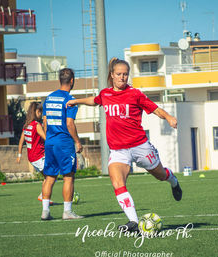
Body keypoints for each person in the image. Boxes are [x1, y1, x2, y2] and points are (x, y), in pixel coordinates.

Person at [67, 58, 182, 232]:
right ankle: (133, 222)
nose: (122, 77)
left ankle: (173, 180)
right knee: (117, 183)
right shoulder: (105, 94)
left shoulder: (135, 94)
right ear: (112, 75)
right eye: (119, 74)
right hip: (118, 150)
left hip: (140, 146)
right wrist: (76, 101)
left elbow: (155, 108)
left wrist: (169, 117)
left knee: (160, 175)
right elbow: (95, 100)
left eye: (125, 74)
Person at [41, 68, 83, 220]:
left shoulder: (49, 98)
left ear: (60, 80)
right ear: (72, 81)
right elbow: (70, 123)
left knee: (49, 177)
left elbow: (44, 122)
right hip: (64, 142)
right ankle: (67, 212)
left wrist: (49, 137)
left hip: (50, 141)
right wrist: (77, 141)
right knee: (68, 176)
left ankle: (45, 211)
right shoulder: (70, 99)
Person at [17, 102, 53, 204]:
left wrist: (19, 154)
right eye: (40, 111)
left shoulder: (26, 125)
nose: (41, 114)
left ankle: (44, 196)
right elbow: (46, 138)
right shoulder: (37, 125)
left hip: (32, 157)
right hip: (39, 156)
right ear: (36, 112)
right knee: (51, 177)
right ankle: (43, 196)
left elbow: (21, 140)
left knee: (47, 177)